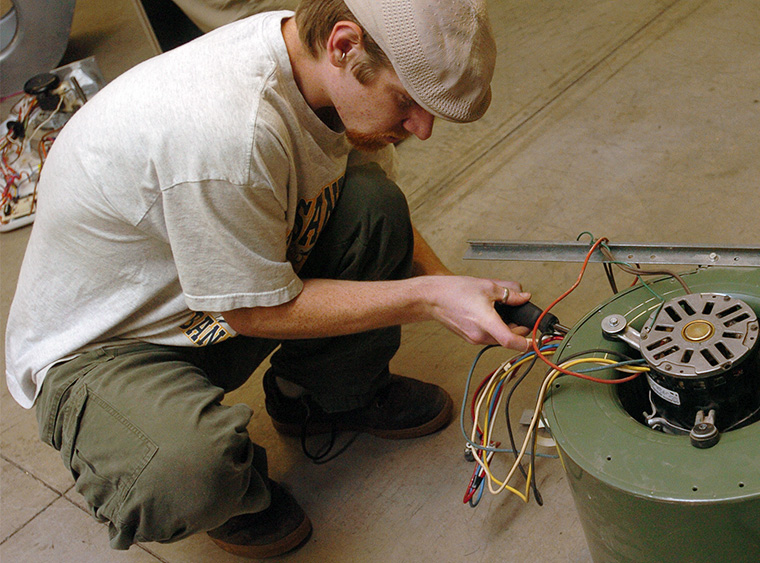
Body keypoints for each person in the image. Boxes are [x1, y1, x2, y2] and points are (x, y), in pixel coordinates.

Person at [4, 0, 532, 558]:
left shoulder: (303, 55)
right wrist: (429, 298)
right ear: (344, 45)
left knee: (374, 205)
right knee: (185, 470)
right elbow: (252, 314)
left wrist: (454, 287)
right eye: (406, 102)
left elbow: (365, 197)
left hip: (202, 298)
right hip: (110, 347)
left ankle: (318, 398)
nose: (420, 130)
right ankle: (231, 494)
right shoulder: (230, 131)